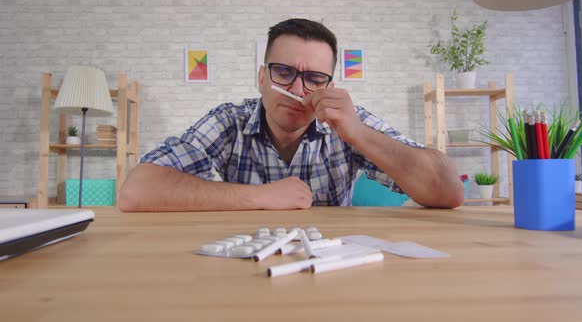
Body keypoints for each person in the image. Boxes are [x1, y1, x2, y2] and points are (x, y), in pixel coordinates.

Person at [118, 18, 464, 212]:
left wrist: (360, 134)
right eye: (284, 72)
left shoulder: (348, 122)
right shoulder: (229, 122)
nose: (298, 91)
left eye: (314, 79)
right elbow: (136, 190)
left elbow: (449, 190)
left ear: (329, 85)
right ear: (261, 78)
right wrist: (258, 197)